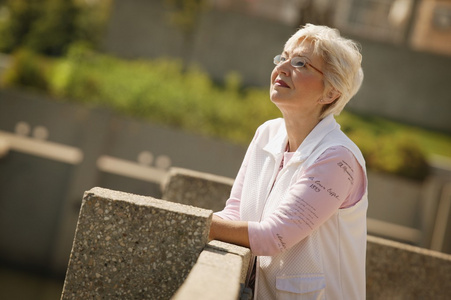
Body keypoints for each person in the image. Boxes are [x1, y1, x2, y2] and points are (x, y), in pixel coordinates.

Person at [209, 24, 368, 300]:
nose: (282, 68)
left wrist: (193, 222)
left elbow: (274, 237)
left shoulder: (338, 157)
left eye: (300, 63)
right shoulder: (267, 133)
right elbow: (235, 214)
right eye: (282, 58)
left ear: (331, 93)